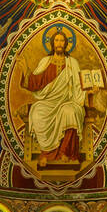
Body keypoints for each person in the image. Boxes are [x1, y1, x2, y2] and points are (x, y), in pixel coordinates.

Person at [22, 30, 86, 161]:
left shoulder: (72, 62)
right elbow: (35, 82)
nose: (59, 43)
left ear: (66, 43)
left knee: (69, 112)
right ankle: (46, 153)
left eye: (62, 41)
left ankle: (64, 153)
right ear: (52, 43)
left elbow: (79, 84)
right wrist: (24, 68)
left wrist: (84, 95)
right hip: (48, 101)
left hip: (68, 100)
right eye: (56, 40)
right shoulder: (46, 61)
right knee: (37, 112)